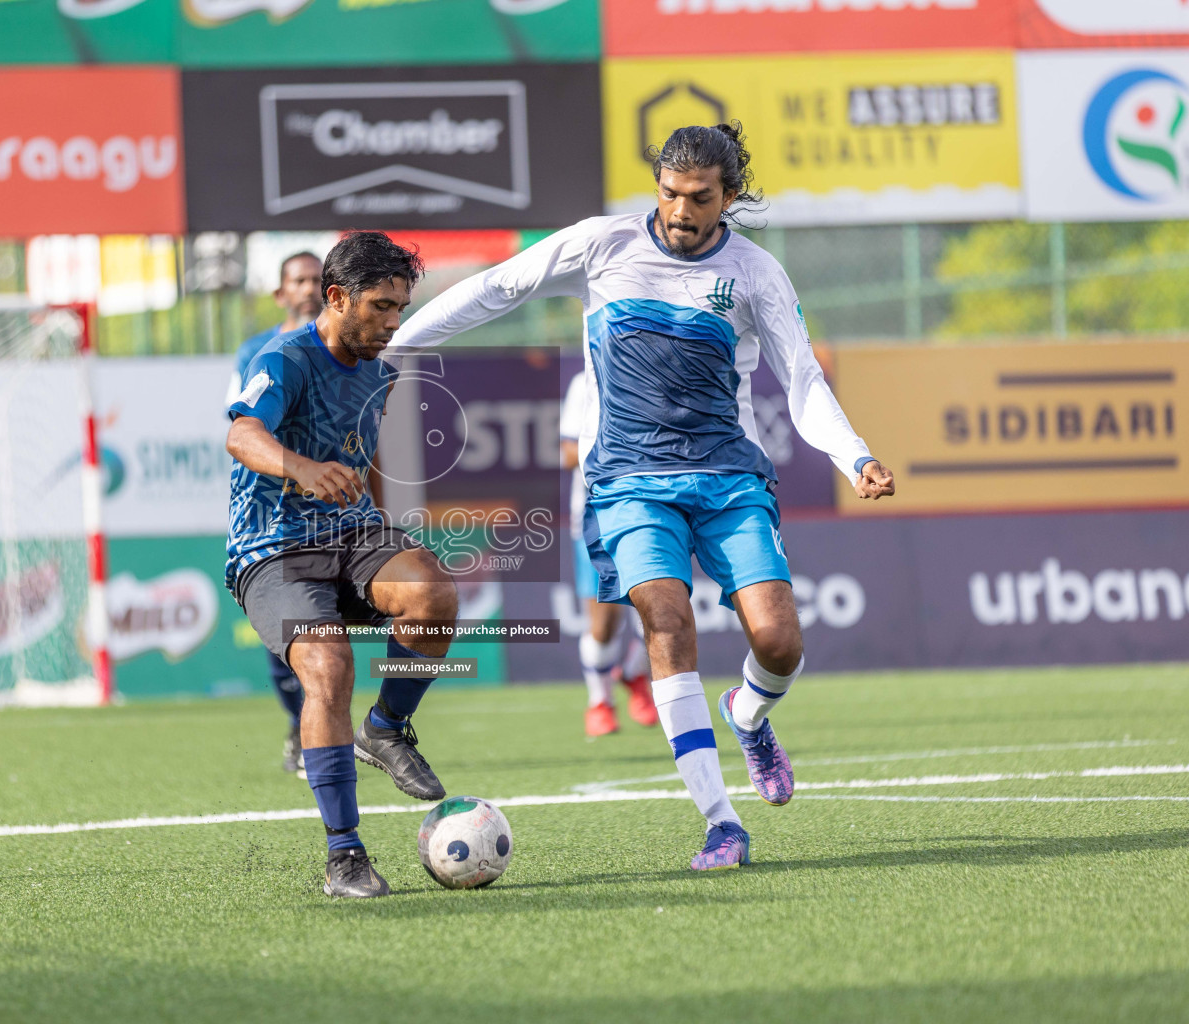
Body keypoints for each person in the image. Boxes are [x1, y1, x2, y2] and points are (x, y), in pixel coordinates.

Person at [391, 122, 896, 871]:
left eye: (699, 198)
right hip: (628, 480)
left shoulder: (756, 273)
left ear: (729, 197)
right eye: (669, 192)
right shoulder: (603, 243)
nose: (680, 210)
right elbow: (500, 287)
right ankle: (721, 822)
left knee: (780, 643)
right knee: (665, 617)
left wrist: (855, 455)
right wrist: (398, 343)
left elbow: (803, 382)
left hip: (728, 475)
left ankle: (749, 715)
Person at [225, 231, 458, 899]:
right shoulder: (286, 358)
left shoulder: (380, 369)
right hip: (272, 549)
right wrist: (300, 468)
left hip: (352, 536)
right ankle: (345, 855)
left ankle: (385, 729)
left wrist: (390, 528)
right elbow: (242, 433)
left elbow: (365, 452)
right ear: (336, 297)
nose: (393, 322)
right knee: (328, 667)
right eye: (382, 306)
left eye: (401, 308)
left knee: (433, 596)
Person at [226, 250, 325, 776]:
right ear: (281, 293)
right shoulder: (255, 352)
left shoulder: (346, 349)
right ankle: (302, 723)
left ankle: (349, 728)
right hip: (274, 511)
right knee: (284, 629)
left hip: (334, 508)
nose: (309, 287)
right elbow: (240, 430)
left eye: (317, 279)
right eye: (299, 280)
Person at [561, 368, 657, 738]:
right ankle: (600, 700)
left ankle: (634, 672)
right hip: (596, 516)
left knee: (665, 612)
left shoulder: (656, 373)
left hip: (653, 509)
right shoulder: (583, 382)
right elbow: (568, 453)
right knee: (603, 625)